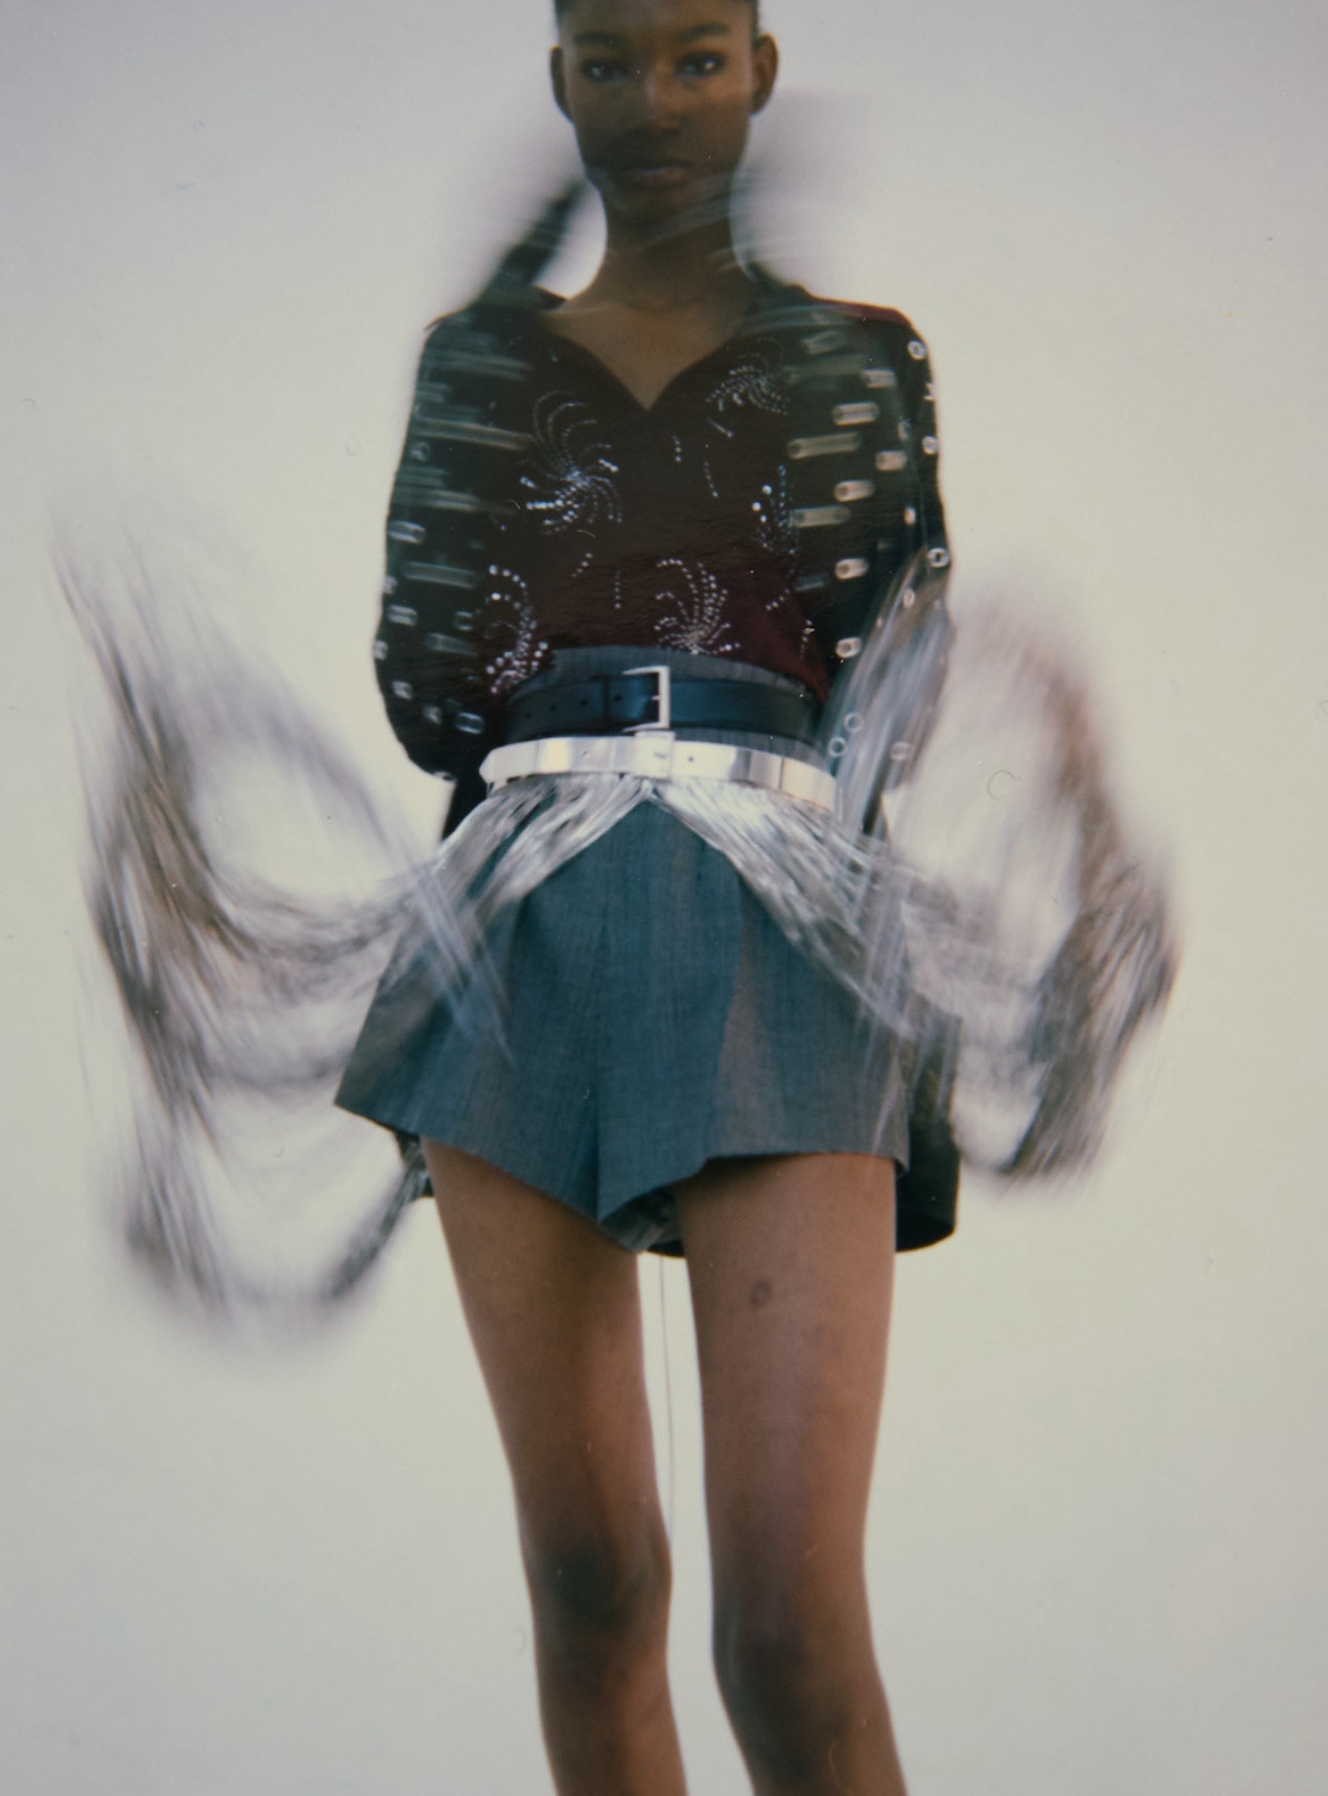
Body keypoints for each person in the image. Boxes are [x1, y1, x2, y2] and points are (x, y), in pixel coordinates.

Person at [335, 2, 950, 1791]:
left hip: (780, 910)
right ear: (561, 80)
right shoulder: (481, 362)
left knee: (787, 1622)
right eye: (609, 60)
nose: (655, 101)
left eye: (695, 56)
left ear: (761, 68)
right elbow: (431, 693)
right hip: (522, 911)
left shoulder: (858, 358)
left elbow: (899, 675)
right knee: (591, 1581)